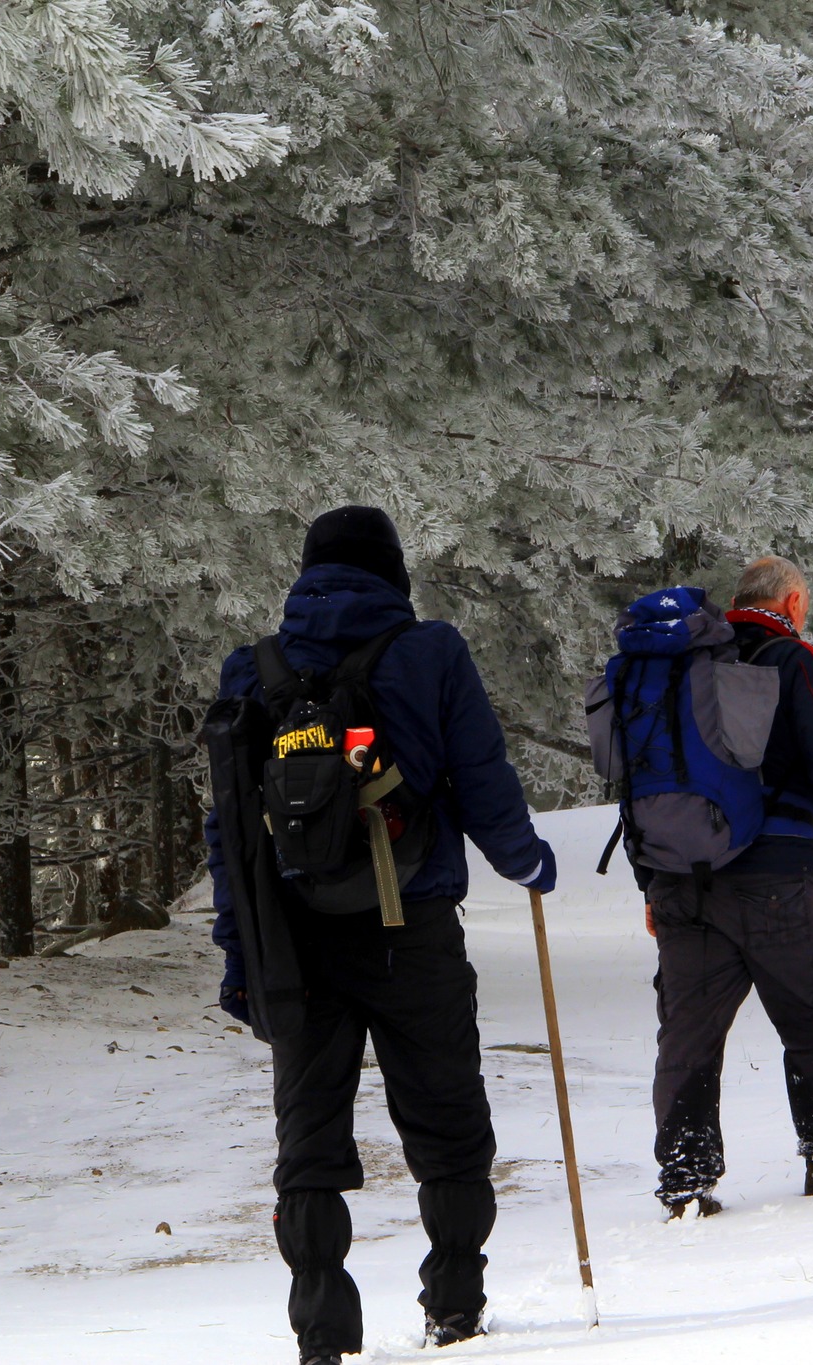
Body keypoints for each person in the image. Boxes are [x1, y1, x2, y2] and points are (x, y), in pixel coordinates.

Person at [206, 506, 557, 1365]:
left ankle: (324, 1335)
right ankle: (455, 1309)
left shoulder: (253, 671)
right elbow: (482, 778)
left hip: (295, 941)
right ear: (392, 573)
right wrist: (529, 863)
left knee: (310, 1139)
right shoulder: (431, 651)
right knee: (447, 1121)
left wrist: (238, 953)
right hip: (415, 930)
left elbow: (230, 834)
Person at [644, 555, 813, 1219]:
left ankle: (685, 1184)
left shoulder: (679, 665)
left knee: (689, 1036)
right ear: (793, 602)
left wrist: (654, 884)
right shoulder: (795, 660)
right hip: (777, 876)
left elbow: (644, 780)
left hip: (684, 880)